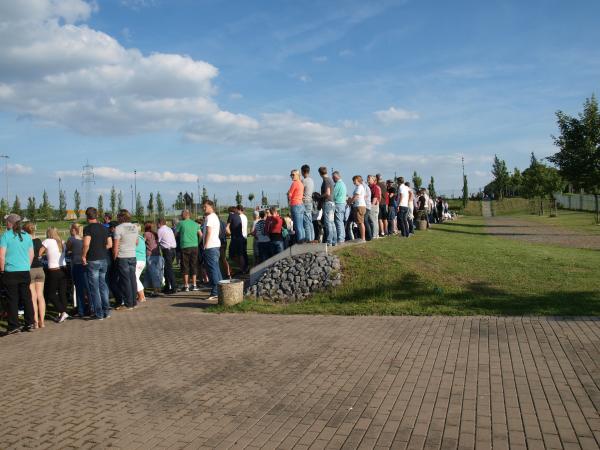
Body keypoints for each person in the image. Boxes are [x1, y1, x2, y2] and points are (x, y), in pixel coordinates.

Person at [0, 214, 34, 335]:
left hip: (11, 271)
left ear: (10, 223)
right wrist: (27, 266)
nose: (6, 224)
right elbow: (31, 255)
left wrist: (2, 270)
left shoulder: (5, 236)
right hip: (24, 270)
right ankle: (30, 322)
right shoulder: (27, 236)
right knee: (26, 297)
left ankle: (14, 325)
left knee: (12, 299)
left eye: (7, 222)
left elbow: (2, 255)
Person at [82, 207, 111, 320]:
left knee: (95, 288)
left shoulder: (88, 229)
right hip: (103, 259)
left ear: (87, 216)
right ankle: (106, 311)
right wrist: (100, 248)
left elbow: (86, 244)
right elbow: (110, 244)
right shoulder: (104, 228)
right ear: (96, 215)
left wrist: (83, 255)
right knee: (103, 286)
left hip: (92, 260)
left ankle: (99, 313)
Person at [40, 227, 68, 323]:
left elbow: (39, 253)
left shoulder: (47, 241)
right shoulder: (62, 242)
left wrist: (45, 255)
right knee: (62, 293)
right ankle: (63, 314)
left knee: (51, 294)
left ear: (48, 234)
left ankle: (62, 312)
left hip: (54, 270)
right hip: (63, 269)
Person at [113, 209, 138, 309]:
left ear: (121, 217)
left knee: (125, 280)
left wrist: (114, 257)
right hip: (132, 255)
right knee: (133, 279)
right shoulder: (135, 227)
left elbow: (116, 246)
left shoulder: (118, 228)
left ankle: (128, 303)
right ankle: (134, 302)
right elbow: (137, 242)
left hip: (123, 256)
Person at [23, 222, 45, 328]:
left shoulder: (25, 242)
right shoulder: (38, 241)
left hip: (30, 269)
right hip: (40, 269)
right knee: (40, 295)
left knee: (33, 297)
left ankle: (35, 321)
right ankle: (42, 321)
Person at [176, 209, 202, 291]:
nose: (180, 216)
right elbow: (201, 235)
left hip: (184, 246)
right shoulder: (195, 224)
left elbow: (175, 234)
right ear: (189, 215)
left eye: (181, 214)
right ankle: (194, 285)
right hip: (195, 246)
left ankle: (186, 285)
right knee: (194, 265)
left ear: (184, 215)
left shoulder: (180, 223)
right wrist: (198, 242)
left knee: (185, 266)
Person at [66, 223, 89, 318]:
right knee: (87, 287)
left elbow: (68, 248)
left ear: (73, 229)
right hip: (85, 264)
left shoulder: (71, 239)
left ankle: (81, 310)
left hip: (76, 264)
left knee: (79, 289)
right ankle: (91, 307)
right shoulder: (84, 239)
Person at [202, 200, 222, 300]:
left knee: (212, 269)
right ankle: (221, 289)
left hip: (210, 246)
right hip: (215, 245)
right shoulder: (215, 217)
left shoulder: (209, 217)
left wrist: (205, 244)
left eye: (205, 206)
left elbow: (209, 231)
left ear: (211, 206)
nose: (203, 208)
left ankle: (215, 291)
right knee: (216, 268)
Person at [227, 205, 249, 274]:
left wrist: (229, 234)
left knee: (231, 255)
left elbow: (227, 228)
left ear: (230, 212)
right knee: (241, 254)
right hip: (242, 237)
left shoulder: (231, 215)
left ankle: (242, 267)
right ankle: (244, 269)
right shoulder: (241, 216)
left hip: (235, 238)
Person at [157, 218, 177, 294]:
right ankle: (167, 286)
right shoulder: (169, 229)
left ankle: (173, 287)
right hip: (173, 250)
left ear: (159, 223)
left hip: (167, 250)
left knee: (169, 269)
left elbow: (158, 241)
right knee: (167, 268)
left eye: (157, 223)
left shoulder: (160, 230)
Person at [318, 166, 336, 245]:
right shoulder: (330, 179)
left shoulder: (326, 180)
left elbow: (327, 193)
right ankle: (334, 241)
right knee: (332, 222)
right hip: (332, 202)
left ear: (320, 173)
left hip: (327, 202)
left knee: (328, 223)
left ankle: (329, 241)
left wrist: (319, 196)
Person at [287, 169, 305, 244]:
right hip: (301, 204)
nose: (292, 176)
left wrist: (289, 200)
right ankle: (303, 241)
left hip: (295, 204)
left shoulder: (294, 183)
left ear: (298, 175)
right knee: (301, 226)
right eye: (291, 175)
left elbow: (289, 194)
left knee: (297, 227)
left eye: (293, 174)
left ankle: (300, 243)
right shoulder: (301, 183)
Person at [301, 164, 315, 242]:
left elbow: (300, 191)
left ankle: (308, 239)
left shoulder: (304, 181)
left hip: (305, 202)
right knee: (310, 221)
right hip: (310, 201)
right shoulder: (311, 180)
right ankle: (312, 238)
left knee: (306, 222)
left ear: (303, 171)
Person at [332, 171, 346, 244]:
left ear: (336, 177)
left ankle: (340, 239)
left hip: (338, 204)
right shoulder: (343, 184)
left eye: (333, 177)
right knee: (341, 222)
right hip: (343, 204)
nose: (332, 179)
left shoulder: (338, 184)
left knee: (338, 222)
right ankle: (342, 237)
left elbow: (333, 195)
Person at [351, 175, 367, 241]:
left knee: (360, 222)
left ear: (358, 180)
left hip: (359, 206)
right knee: (359, 222)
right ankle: (362, 237)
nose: (353, 182)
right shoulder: (359, 187)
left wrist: (350, 202)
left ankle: (363, 238)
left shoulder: (359, 187)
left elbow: (356, 196)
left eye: (354, 180)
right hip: (359, 205)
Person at [135, 224, 146, 302]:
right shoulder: (141, 238)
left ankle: (142, 296)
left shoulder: (135, 238)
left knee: (135, 278)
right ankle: (139, 295)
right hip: (142, 261)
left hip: (137, 260)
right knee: (136, 278)